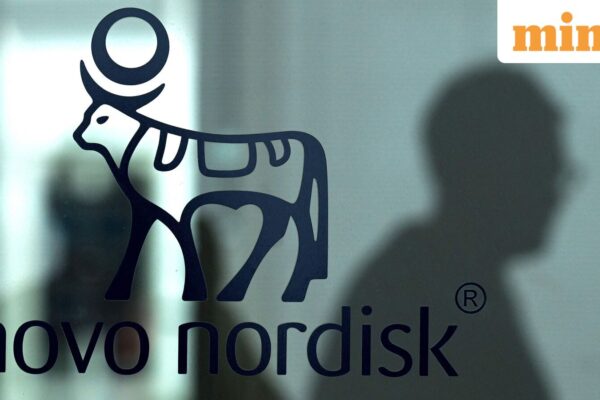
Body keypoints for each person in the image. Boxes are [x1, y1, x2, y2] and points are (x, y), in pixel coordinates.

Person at [313, 67, 567, 399]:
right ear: (487, 169)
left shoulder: (439, 279)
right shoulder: (419, 295)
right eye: (543, 170)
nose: (554, 194)